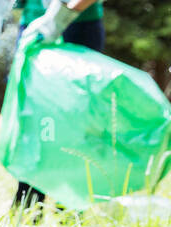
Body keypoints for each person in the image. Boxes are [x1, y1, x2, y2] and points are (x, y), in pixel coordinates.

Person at [10, 0, 105, 209]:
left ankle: (70, 206)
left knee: (73, 119)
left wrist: (59, 15)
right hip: (34, 25)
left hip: (79, 24)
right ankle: (29, 203)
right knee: (34, 117)